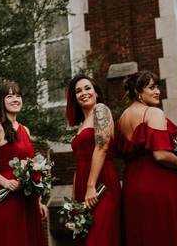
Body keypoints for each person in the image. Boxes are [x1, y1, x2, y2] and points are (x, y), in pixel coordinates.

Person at [115, 70, 177, 245]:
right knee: (163, 234)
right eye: (151, 87)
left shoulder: (122, 118)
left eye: (158, 87)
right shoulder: (153, 113)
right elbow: (161, 154)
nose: (157, 91)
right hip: (158, 183)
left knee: (143, 234)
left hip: (132, 183)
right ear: (137, 91)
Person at [0, 81, 46, 246]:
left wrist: (39, 201)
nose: (15, 99)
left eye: (18, 95)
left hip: (28, 198)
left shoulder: (25, 130)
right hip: (9, 197)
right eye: (9, 96)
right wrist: (4, 182)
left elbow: (31, 166)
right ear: (2, 101)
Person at [66, 75, 120, 246]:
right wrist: (74, 205)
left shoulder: (101, 110)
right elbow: (79, 163)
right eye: (78, 91)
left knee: (100, 238)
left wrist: (91, 186)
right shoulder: (81, 125)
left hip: (101, 184)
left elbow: (102, 146)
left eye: (87, 88)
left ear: (96, 93)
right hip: (83, 185)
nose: (83, 93)